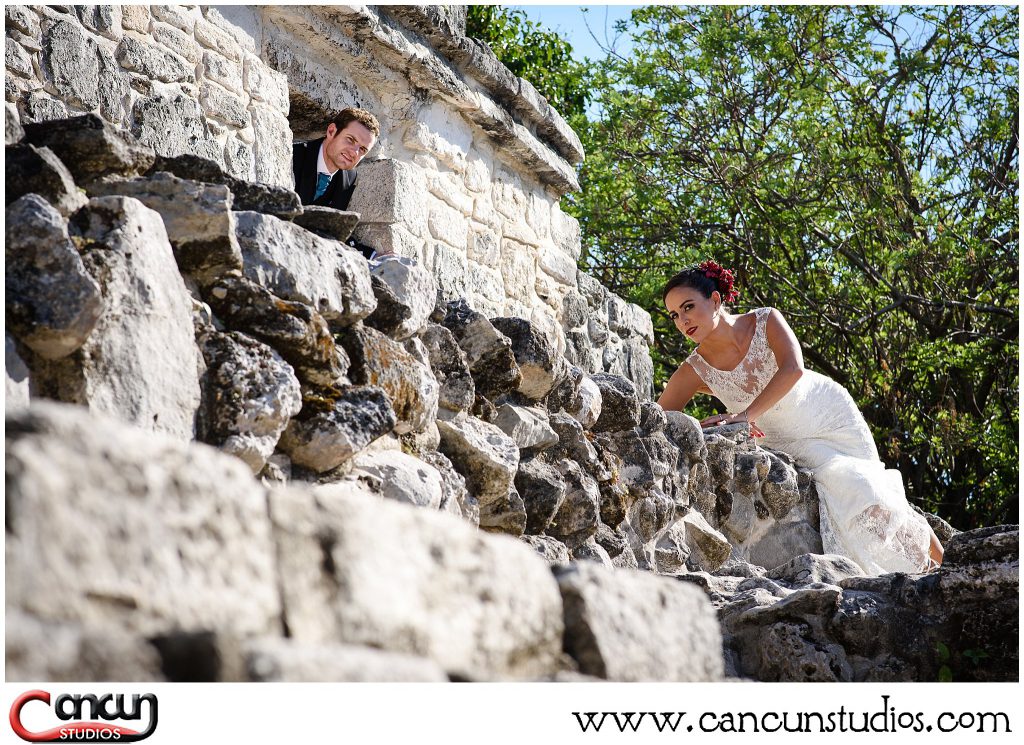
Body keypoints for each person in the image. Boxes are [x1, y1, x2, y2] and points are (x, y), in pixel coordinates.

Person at [657, 260, 944, 575]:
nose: (682, 321)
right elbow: (657, 420)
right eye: (674, 315)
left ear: (714, 300)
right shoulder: (693, 369)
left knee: (874, 485)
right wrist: (703, 427)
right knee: (857, 484)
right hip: (785, 437)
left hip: (825, 411)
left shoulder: (764, 321)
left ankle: (945, 565)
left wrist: (744, 415)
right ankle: (915, 572)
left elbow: (794, 368)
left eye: (688, 307)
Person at [292, 107, 380, 258]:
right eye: (351, 140)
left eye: (363, 149)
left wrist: (374, 256)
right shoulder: (294, 156)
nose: (354, 152)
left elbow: (332, 231)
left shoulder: (350, 178)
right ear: (332, 131)